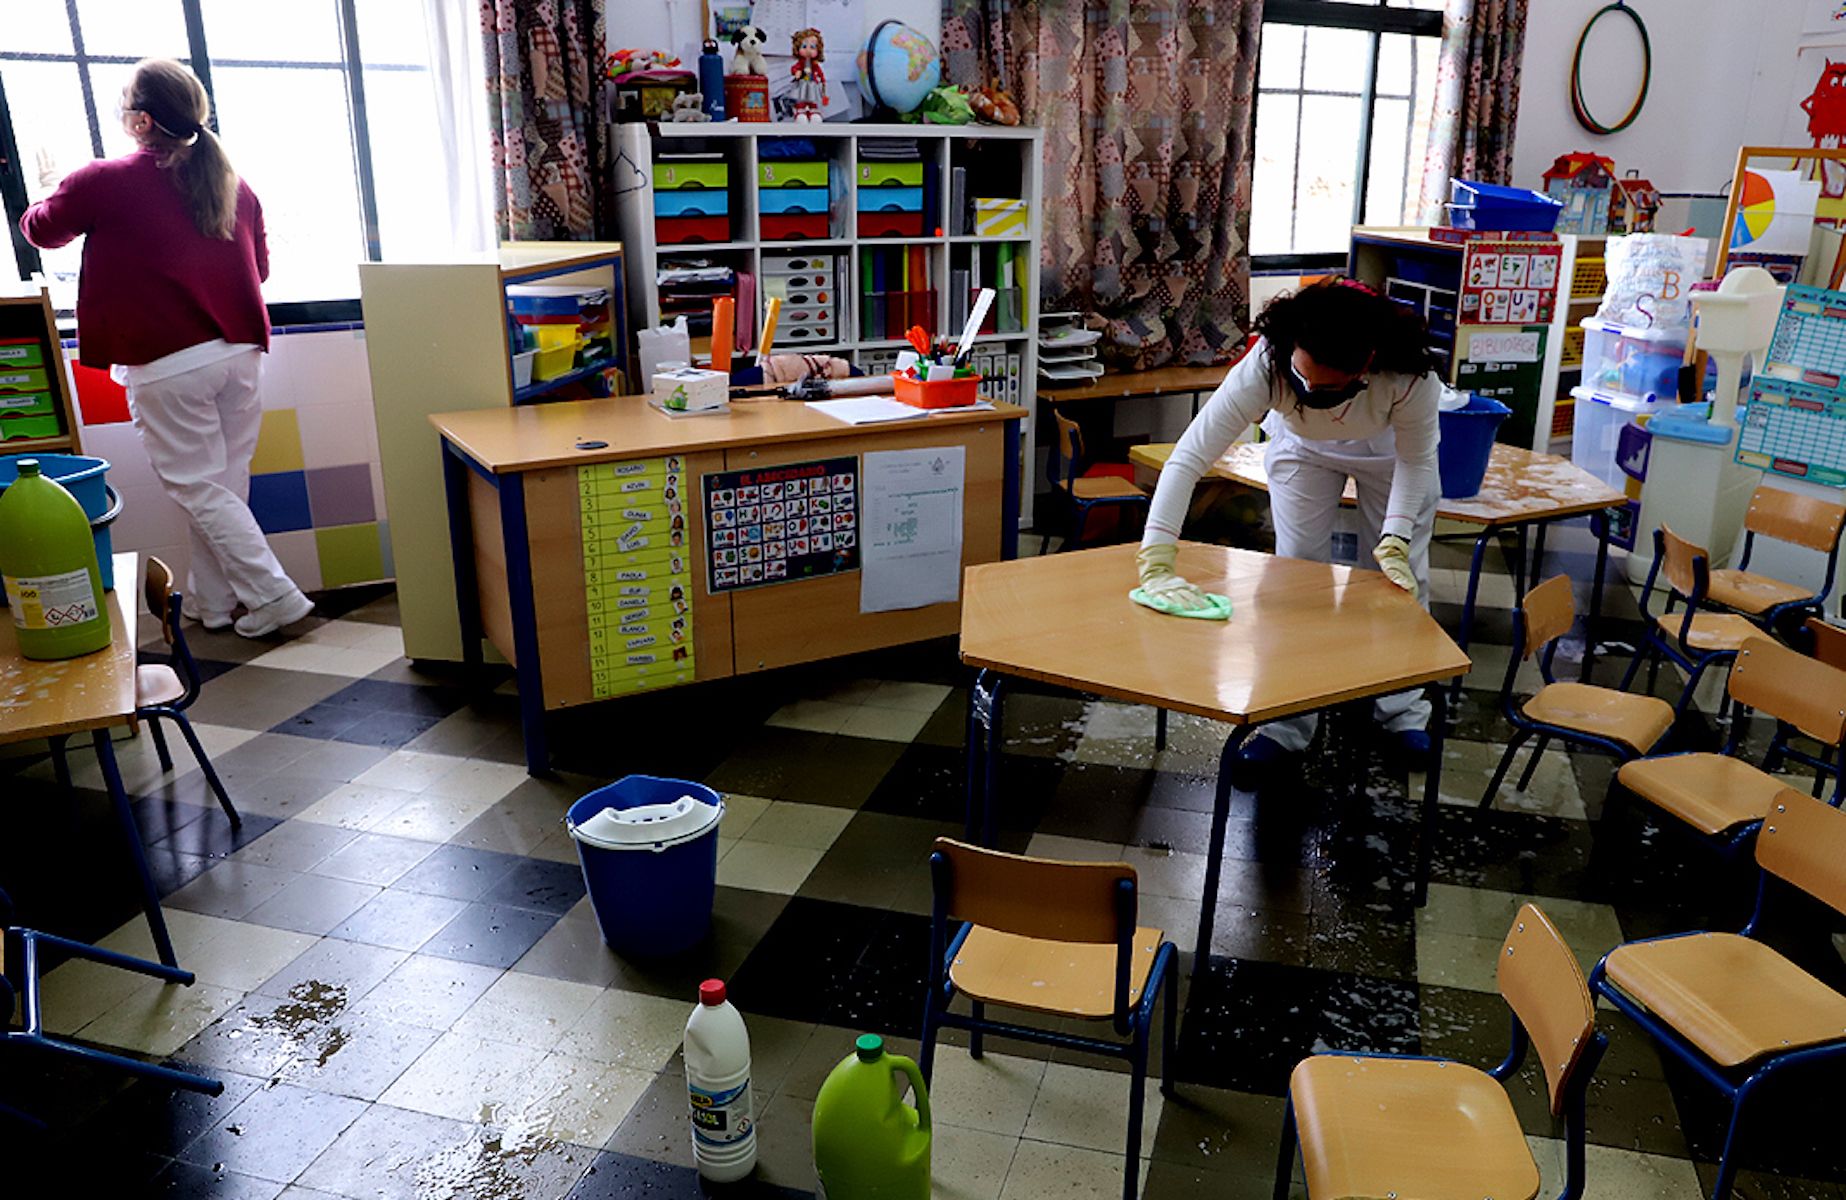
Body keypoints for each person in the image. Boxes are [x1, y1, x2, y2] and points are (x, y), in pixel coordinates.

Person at [21, 59, 312, 638]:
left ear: (141, 121)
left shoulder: (104, 180)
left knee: (201, 489)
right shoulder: (234, 183)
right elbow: (260, 268)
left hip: (169, 363)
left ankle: (275, 594)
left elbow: (40, 230)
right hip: (240, 353)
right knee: (222, 487)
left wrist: (48, 179)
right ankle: (212, 602)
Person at [1136, 278, 1440, 782]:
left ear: (1364, 366)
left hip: (1389, 459)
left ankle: (1403, 711)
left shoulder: (1409, 375)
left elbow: (1416, 462)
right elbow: (1188, 457)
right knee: (1293, 580)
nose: (1311, 392)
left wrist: (1396, 537)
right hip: (1301, 450)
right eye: (1304, 380)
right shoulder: (1268, 362)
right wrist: (1156, 558)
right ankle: (1288, 724)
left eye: (1327, 386)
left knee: (1399, 578)